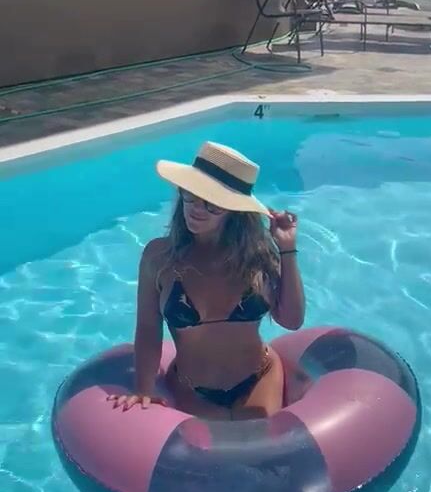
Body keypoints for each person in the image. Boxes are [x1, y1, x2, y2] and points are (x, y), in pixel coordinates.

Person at [109, 141, 305, 421]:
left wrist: (286, 248)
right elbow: (149, 328)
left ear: (234, 210)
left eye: (212, 205)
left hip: (259, 379)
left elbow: (291, 320)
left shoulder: (257, 256)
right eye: (190, 196)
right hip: (191, 388)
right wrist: (143, 389)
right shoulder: (159, 257)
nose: (196, 209)